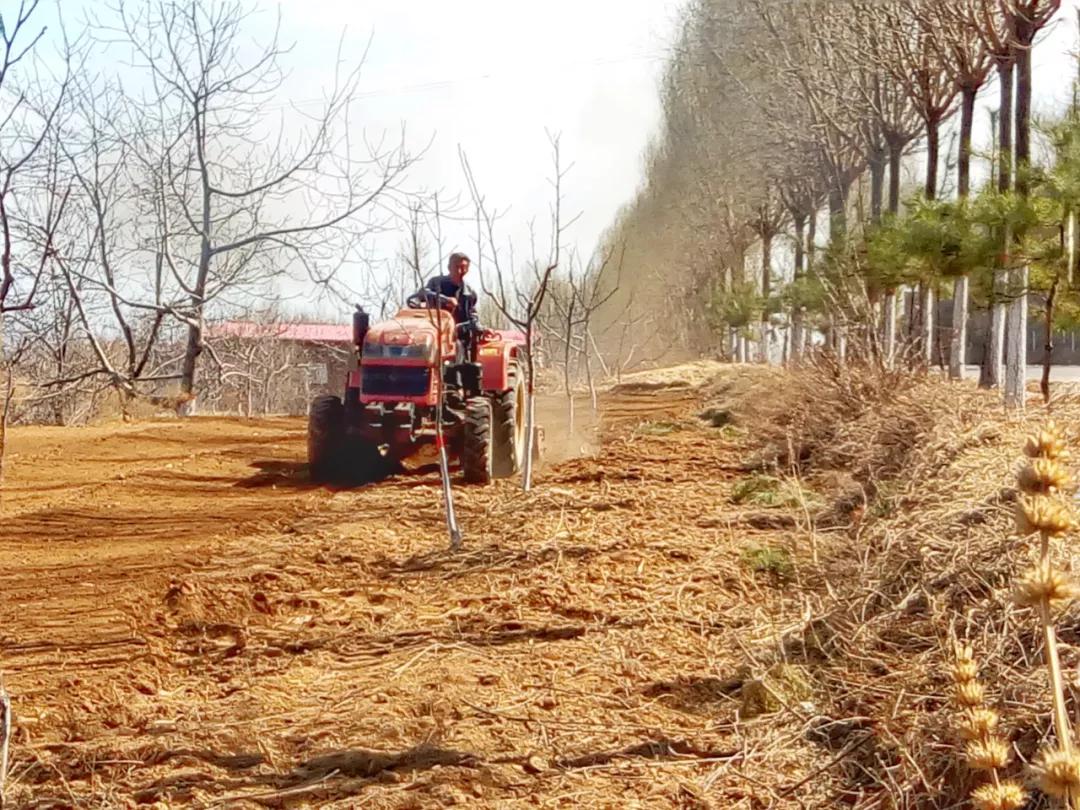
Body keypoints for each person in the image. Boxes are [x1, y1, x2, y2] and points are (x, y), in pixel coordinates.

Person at [416, 252, 479, 328]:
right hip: (436, 330)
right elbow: (420, 296)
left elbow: (473, 318)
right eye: (456, 267)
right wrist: (444, 300)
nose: (459, 271)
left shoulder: (469, 293)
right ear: (449, 267)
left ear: (467, 269)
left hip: (460, 336)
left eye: (463, 267)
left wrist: (481, 329)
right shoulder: (436, 283)